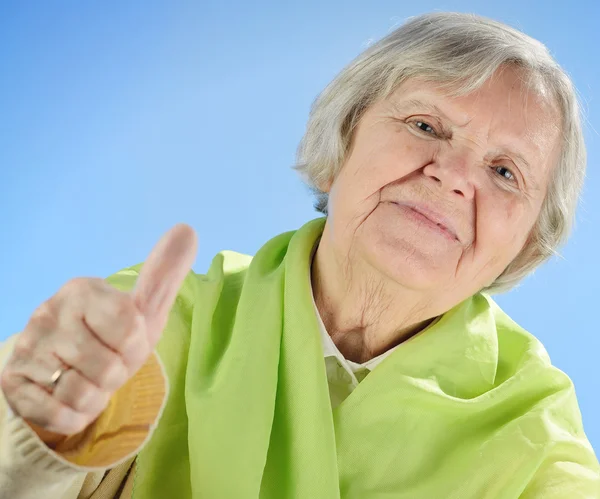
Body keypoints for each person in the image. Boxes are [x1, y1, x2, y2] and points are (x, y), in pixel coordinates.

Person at [0, 11, 598, 499]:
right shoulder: (151, 328)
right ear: (343, 136)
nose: (453, 177)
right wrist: (39, 435)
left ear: (528, 240)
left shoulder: (538, 434)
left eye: (504, 171)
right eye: (426, 126)